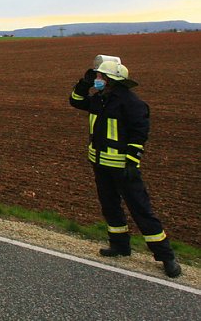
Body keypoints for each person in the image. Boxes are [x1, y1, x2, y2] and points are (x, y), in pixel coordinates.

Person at [69, 58, 181, 278]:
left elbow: (140, 132)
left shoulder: (130, 103)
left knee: (141, 210)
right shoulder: (99, 99)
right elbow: (75, 101)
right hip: (100, 164)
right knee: (110, 206)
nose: (97, 79)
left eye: (100, 76)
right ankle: (120, 245)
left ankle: (166, 256)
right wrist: (85, 83)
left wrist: (132, 161)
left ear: (111, 80)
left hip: (122, 167)